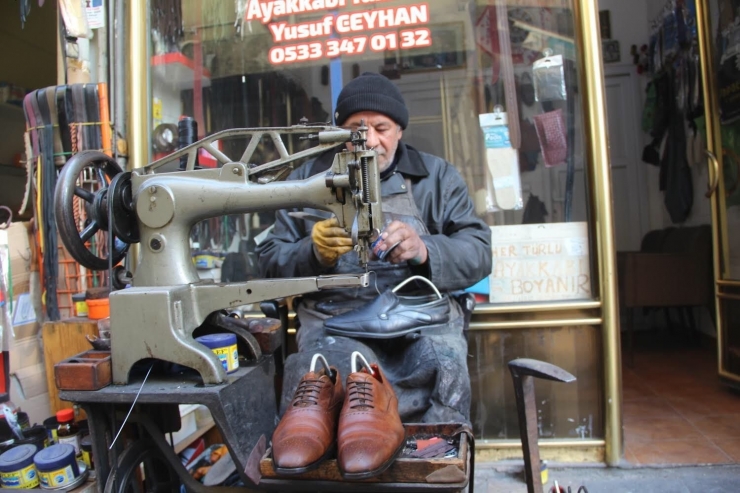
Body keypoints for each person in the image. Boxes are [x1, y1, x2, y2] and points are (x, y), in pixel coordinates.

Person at [256, 72, 492, 424]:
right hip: (334, 322)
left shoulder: (437, 179)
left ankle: (435, 465)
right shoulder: (307, 180)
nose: (368, 140)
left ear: (400, 130)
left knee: (443, 367)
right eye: (355, 129)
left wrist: (425, 250)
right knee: (320, 381)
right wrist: (312, 252)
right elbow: (269, 261)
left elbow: (478, 252)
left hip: (420, 320)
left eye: (381, 128)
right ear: (339, 133)